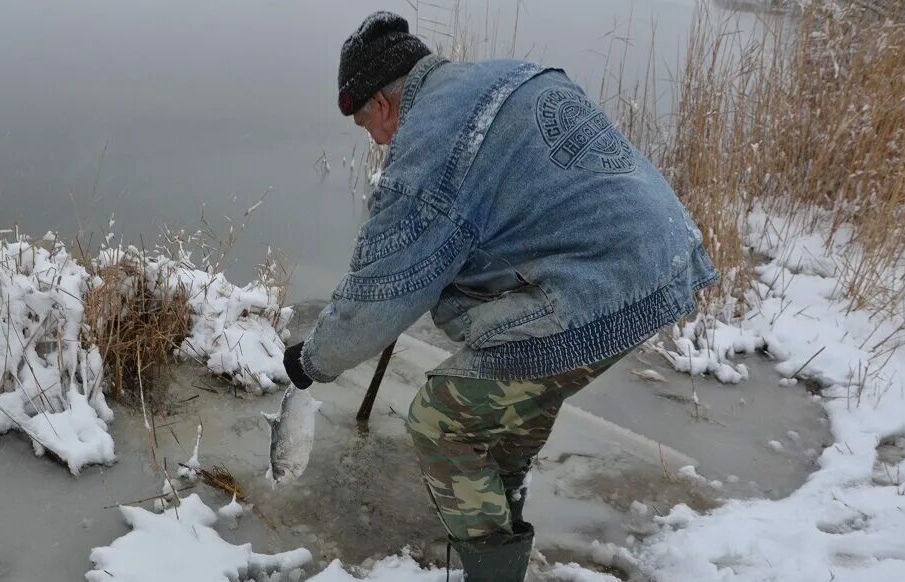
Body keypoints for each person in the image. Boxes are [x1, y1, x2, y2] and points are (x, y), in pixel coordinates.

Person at [281, 11, 718, 582]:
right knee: (504, 414)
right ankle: (501, 538)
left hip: (601, 286)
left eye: (368, 125)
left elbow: (377, 293)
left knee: (441, 418)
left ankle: (491, 572)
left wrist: (312, 359)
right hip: (666, 255)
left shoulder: (431, 144)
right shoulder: (502, 76)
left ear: (383, 105)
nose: (379, 140)